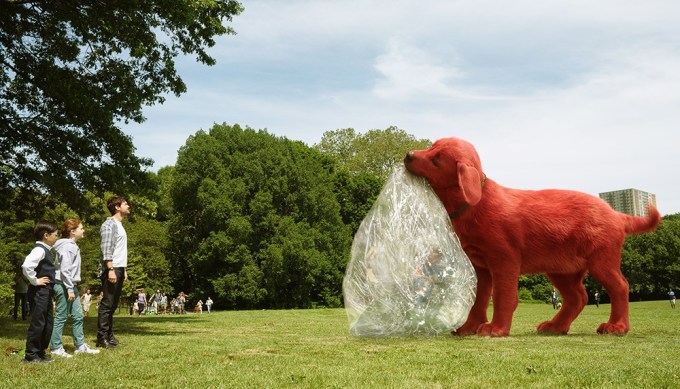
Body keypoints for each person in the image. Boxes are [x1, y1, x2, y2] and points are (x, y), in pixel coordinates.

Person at [50, 219, 100, 357]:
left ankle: (80, 346)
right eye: (81, 228)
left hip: (71, 285)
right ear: (72, 231)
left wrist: (72, 288)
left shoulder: (72, 245)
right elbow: (65, 270)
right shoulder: (67, 246)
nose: (83, 230)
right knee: (61, 316)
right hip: (63, 285)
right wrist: (70, 289)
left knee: (78, 316)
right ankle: (55, 347)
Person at [21, 221, 59, 363]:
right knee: (38, 322)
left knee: (48, 322)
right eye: (55, 235)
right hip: (39, 291)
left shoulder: (46, 250)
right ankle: (31, 354)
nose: (57, 237)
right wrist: (35, 281)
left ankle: (40, 352)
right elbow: (26, 266)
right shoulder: (40, 250)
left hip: (46, 291)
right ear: (46, 235)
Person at [97, 196, 130, 349]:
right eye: (125, 204)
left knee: (113, 304)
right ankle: (101, 337)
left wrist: (124, 269)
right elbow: (106, 249)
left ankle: (110, 336)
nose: (128, 205)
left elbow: (119, 250)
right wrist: (110, 269)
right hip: (112, 268)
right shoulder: (109, 225)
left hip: (118, 268)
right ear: (117, 207)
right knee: (107, 304)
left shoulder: (120, 225)